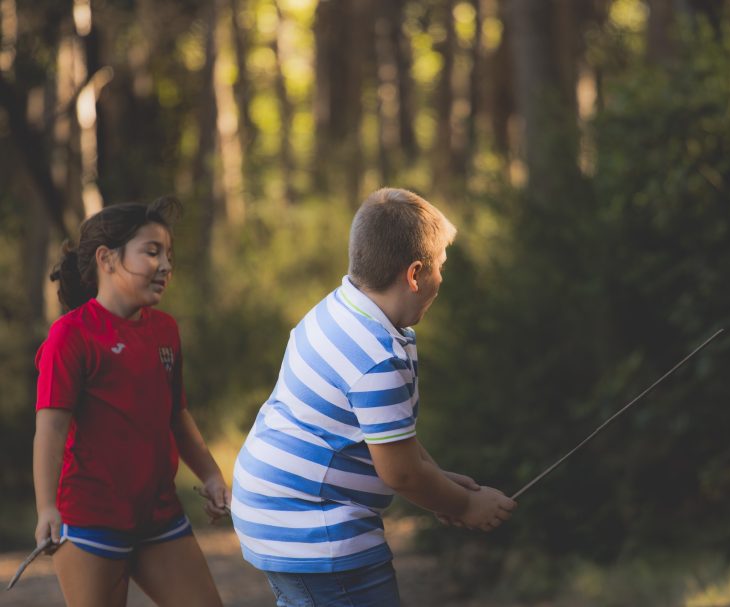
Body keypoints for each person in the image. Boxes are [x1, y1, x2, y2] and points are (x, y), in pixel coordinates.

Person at [231, 187, 517, 606]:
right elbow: (399, 474)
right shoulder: (376, 358)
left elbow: (391, 438)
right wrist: (463, 507)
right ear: (415, 274)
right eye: (441, 268)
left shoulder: (341, 309)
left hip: (270, 512)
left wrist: (435, 478)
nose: (442, 280)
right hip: (315, 529)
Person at [33, 197, 230, 607]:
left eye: (169, 255)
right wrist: (47, 507)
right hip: (90, 523)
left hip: (160, 515)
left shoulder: (165, 331)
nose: (165, 266)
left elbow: (177, 416)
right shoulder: (71, 336)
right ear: (107, 259)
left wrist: (211, 475)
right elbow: (49, 431)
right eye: (152, 252)